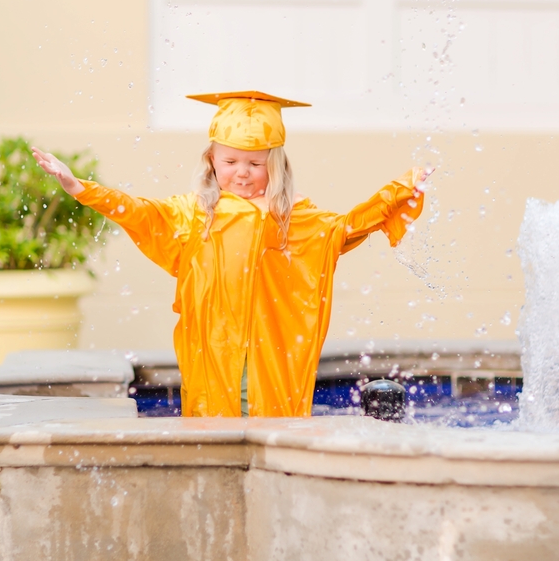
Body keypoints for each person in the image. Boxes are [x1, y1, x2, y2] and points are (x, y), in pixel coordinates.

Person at [32, 90, 428, 418]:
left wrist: (396, 194)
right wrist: (79, 187)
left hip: (265, 353)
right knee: (214, 425)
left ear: (275, 166)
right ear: (212, 161)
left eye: (256, 163)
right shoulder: (194, 213)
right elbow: (140, 213)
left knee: (261, 421)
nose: (243, 172)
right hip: (213, 348)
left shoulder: (291, 216)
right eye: (231, 161)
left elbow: (344, 229)